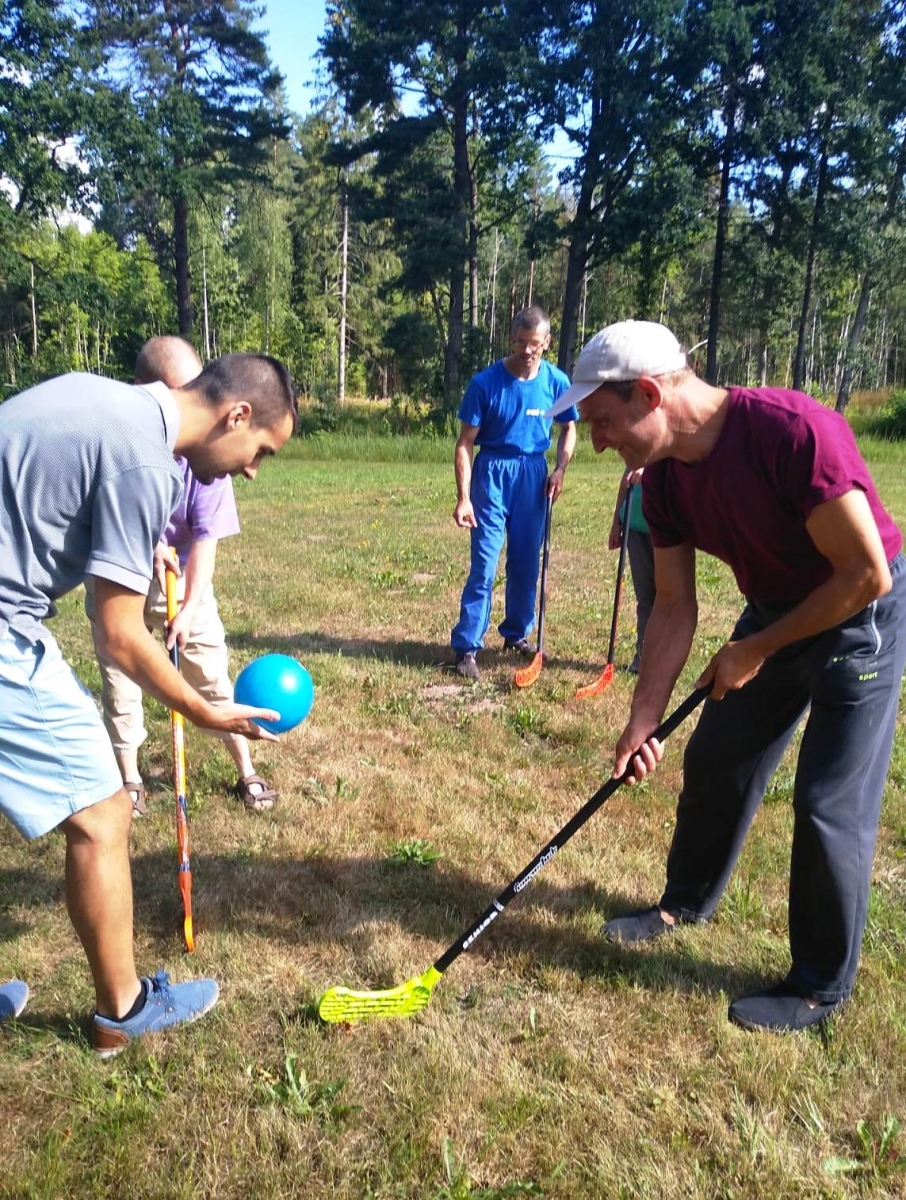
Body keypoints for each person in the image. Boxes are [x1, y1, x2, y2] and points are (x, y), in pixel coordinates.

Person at [545, 319, 905, 1033]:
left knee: (828, 802)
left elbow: (864, 575)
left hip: (864, 611)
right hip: (779, 607)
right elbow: (674, 608)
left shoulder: (793, 433)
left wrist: (757, 649)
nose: (602, 442)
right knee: (716, 756)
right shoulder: (665, 482)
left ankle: (818, 985)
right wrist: (642, 718)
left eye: (606, 422)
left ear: (650, 394)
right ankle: (684, 901)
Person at [0, 352, 297, 1055]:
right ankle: (121, 1012)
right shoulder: (146, 463)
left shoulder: (101, 398)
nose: (252, 469)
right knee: (103, 813)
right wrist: (203, 709)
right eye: (260, 451)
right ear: (237, 415)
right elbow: (120, 635)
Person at [86, 337, 278, 816]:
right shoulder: (125, 443)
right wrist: (146, 544)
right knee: (122, 676)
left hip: (186, 574)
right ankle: (130, 777)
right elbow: (114, 512)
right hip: (121, 566)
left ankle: (244, 767)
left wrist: (190, 608)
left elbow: (207, 540)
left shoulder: (209, 462)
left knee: (211, 673)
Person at [451, 306, 578, 680]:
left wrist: (560, 469)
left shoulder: (556, 382)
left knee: (525, 562)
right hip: (492, 474)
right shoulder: (485, 383)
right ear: (512, 339)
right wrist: (464, 497)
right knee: (485, 566)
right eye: (521, 343)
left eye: (534, 344)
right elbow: (464, 444)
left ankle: (516, 634)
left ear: (547, 343)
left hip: (534, 476)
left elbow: (570, 429)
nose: (527, 351)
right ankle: (467, 646)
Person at [609, 467, 655, 673]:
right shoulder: (636, 443)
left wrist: (649, 472)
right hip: (634, 523)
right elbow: (626, 475)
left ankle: (662, 660)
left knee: (667, 598)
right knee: (645, 598)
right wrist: (617, 520)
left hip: (663, 525)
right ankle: (642, 658)